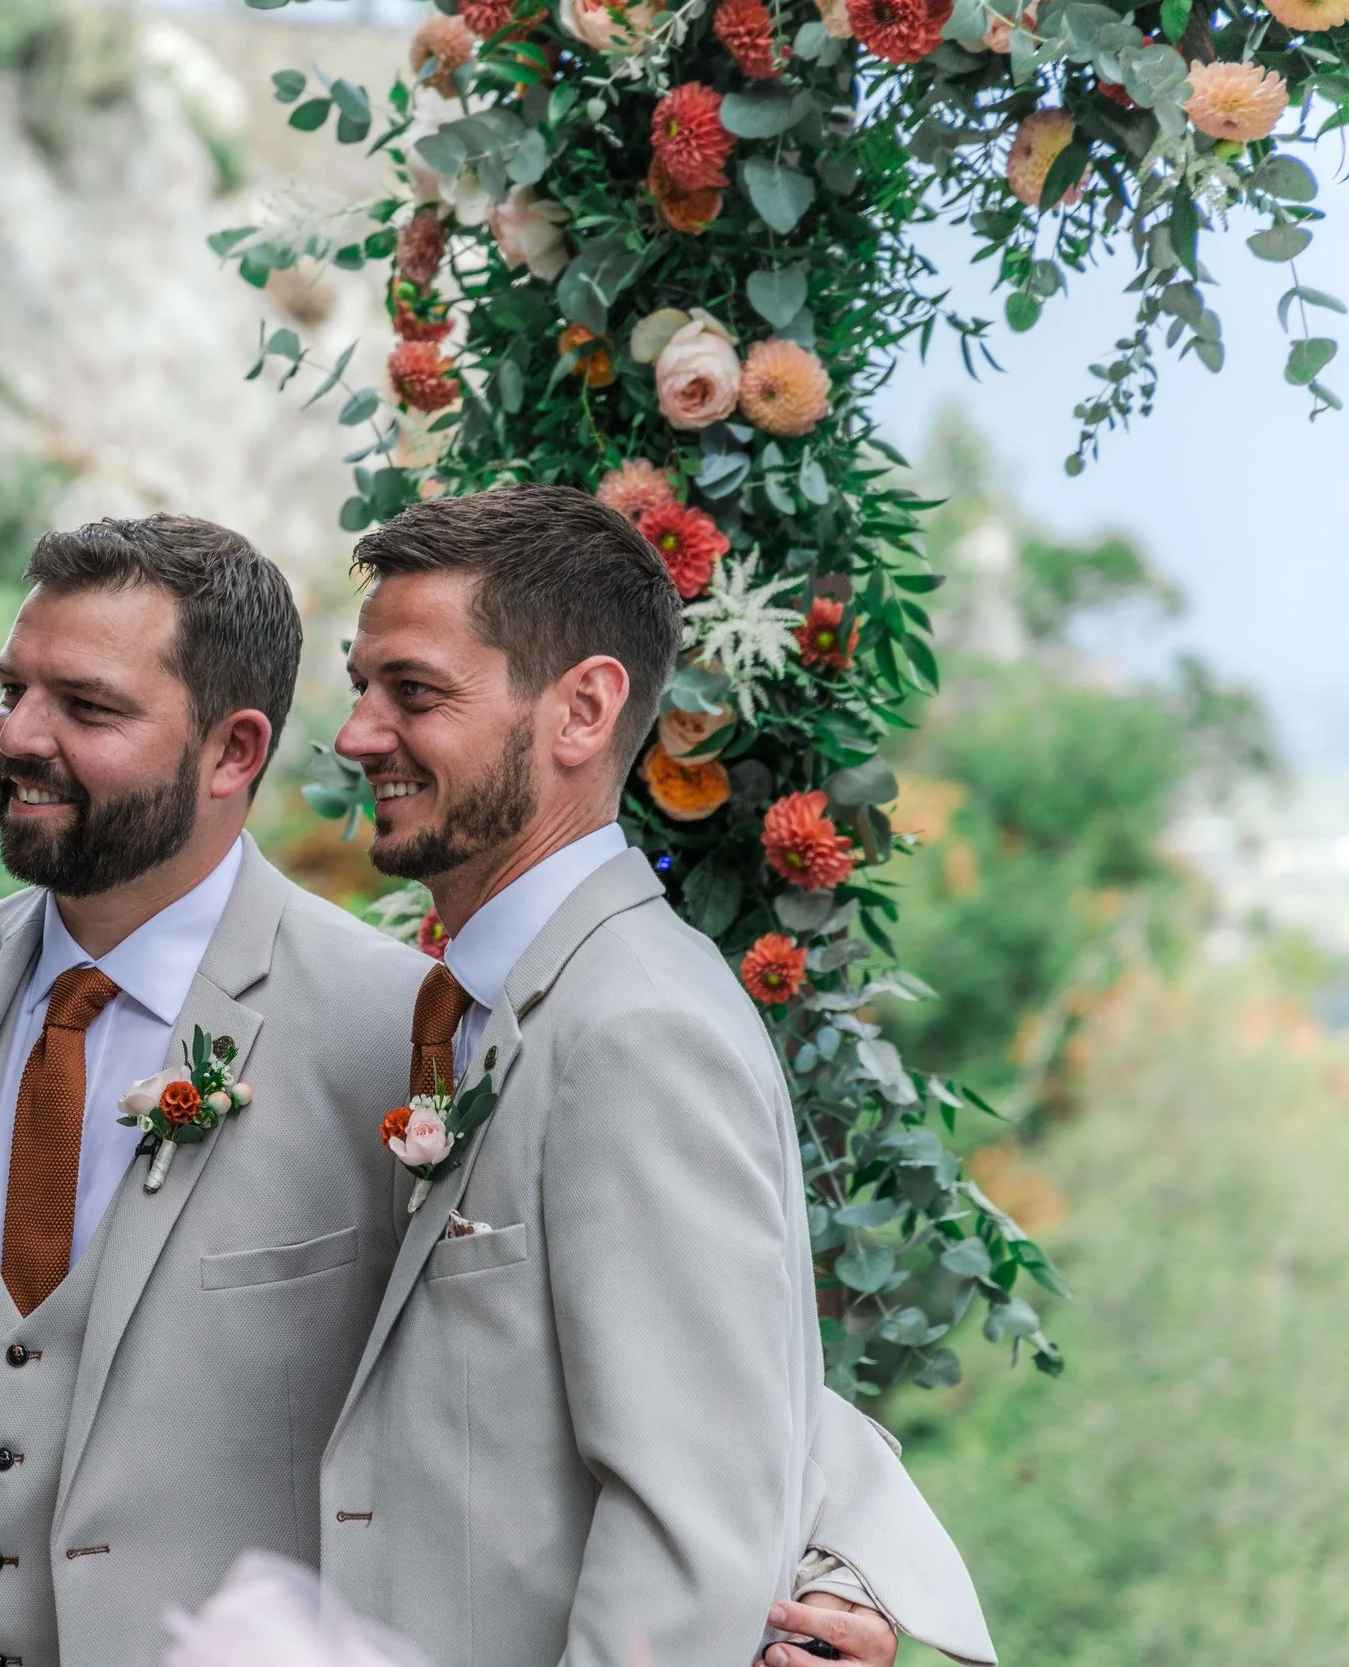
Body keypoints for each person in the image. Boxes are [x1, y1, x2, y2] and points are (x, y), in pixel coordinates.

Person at [0, 513, 976, 1667]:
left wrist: (840, 1566)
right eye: (11, 690)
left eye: (85, 704)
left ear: (233, 750)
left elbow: (696, 1365)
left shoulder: (410, 1027)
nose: (19, 735)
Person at [317, 484, 990, 1667]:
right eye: (360, 686)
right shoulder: (486, 1000)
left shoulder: (634, 1029)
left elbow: (685, 1552)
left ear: (581, 709)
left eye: (412, 692)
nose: (360, 733)